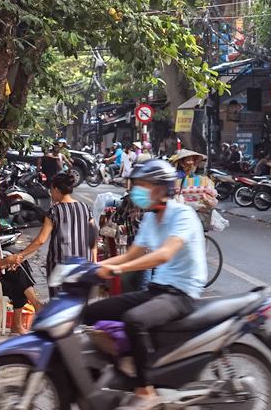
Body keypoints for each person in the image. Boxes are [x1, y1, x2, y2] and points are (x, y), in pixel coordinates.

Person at [84, 160, 206, 410]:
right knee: (91, 312)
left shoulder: (182, 215)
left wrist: (118, 269)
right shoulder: (151, 218)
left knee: (134, 320)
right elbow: (131, 255)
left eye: (142, 186)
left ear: (160, 189)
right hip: (158, 289)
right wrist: (91, 268)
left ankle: (145, 389)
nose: (136, 191)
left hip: (182, 293)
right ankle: (117, 368)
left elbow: (164, 255)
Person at [11, 172, 96, 285]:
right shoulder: (85, 208)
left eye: (51, 190)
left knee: (59, 299)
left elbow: (41, 240)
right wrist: (94, 261)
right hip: (83, 264)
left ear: (56, 189)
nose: (51, 193)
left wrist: (21, 255)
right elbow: (93, 237)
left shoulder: (55, 211)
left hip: (60, 265)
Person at [171, 149, 217, 226]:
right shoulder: (178, 175)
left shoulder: (194, 175)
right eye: (188, 160)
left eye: (192, 160)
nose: (191, 162)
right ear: (182, 163)